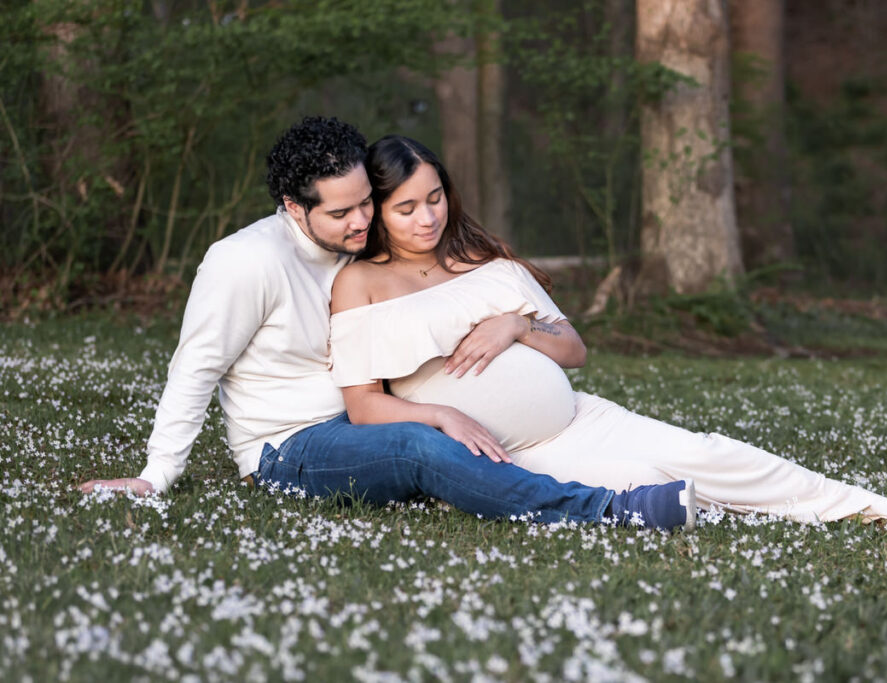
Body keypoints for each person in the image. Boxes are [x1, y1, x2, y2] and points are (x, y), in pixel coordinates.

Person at [78, 116, 698, 533]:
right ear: (295, 207)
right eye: (342, 212)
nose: (360, 222)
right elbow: (196, 366)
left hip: (367, 417)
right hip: (292, 446)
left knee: (444, 437)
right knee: (421, 446)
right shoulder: (245, 262)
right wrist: (156, 475)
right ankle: (613, 511)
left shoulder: (364, 250)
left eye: (366, 204)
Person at [329, 135, 887, 526]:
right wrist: (439, 415)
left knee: (707, 454)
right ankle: (811, 512)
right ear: (375, 212)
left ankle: (864, 508)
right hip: (518, 451)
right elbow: (362, 407)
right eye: (406, 208)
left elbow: (573, 349)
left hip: (582, 415)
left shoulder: (485, 262)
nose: (428, 217)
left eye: (435, 199)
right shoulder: (362, 284)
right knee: (666, 482)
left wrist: (515, 325)